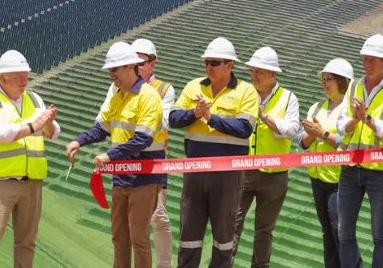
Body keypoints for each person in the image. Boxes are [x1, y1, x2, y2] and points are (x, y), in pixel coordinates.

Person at [67, 41, 162, 268]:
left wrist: (110, 155)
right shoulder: (117, 96)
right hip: (120, 177)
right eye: (110, 70)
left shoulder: (148, 96)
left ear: (131, 66)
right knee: (120, 238)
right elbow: (102, 128)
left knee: (138, 237)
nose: (111, 74)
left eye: (115, 69)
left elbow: (144, 138)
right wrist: (79, 140)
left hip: (144, 177)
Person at [168, 36, 259, 268]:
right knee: (188, 237)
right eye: (206, 62)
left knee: (223, 240)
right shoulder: (193, 86)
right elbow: (173, 118)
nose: (208, 66)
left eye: (214, 62)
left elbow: (244, 129)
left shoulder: (246, 92)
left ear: (230, 65)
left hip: (228, 175)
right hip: (195, 172)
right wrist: (195, 113)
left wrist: (211, 117)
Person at [0, 50, 60, 268]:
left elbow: (54, 133)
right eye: (19, 76)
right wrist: (35, 125)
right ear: (3, 78)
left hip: (32, 183)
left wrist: (48, 121)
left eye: (26, 75)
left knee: (27, 242)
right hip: (1, 183)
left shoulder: (34, 98)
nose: (24, 80)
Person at [95, 38, 176, 268]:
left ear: (152, 63)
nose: (138, 64)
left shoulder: (161, 91)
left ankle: (165, 265)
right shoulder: (118, 88)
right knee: (122, 235)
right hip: (123, 169)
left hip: (149, 168)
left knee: (154, 223)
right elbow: (102, 121)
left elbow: (162, 125)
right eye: (134, 60)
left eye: (142, 61)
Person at [336, 34, 383, 268]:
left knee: (379, 234)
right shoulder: (354, 86)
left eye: (373, 60)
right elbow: (340, 125)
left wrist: (366, 118)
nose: (368, 64)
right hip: (349, 167)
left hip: (379, 171)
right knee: (344, 232)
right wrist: (354, 121)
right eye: (365, 59)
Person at [231, 47, 300, 268]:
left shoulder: (289, 98)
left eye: (259, 71)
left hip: (275, 175)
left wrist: (264, 116)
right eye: (252, 71)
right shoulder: (242, 94)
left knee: (264, 230)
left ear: (273, 74)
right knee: (232, 225)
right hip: (243, 171)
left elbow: (291, 131)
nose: (253, 75)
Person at [298, 59, 354, 268]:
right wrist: (312, 135)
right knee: (328, 233)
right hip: (317, 179)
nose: (324, 82)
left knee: (341, 234)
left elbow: (349, 143)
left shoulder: (349, 111)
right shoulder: (317, 107)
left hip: (340, 182)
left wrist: (322, 133)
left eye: (328, 79)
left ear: (342, 81)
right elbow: (302, 141)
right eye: (323, 79)